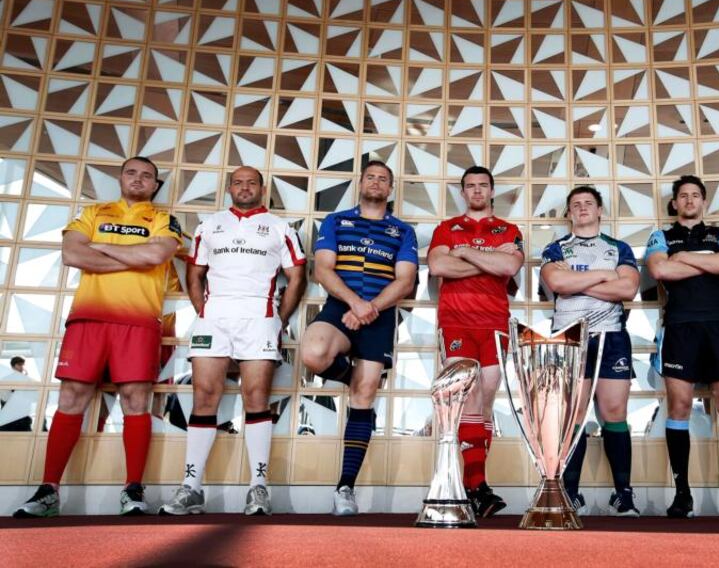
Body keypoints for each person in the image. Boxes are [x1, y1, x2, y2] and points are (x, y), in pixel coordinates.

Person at [14, 156, 182, 518]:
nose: (138, 179)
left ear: (155, 185)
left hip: (138, 321)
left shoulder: (164, 220)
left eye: (147, 176)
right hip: (88, 318)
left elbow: (157, 253)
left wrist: (100, 248)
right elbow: (73, 254)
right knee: (72, 396)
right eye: (132, 173)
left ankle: (133, 489)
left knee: (136, 400)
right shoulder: (93, 212)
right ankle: (49, 490)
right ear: (121, 177)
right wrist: (133, 258)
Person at [159, 166, 306, 516]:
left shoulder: (279, 227)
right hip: (215, 319)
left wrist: (278, 320)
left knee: (256, 398)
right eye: (238, 183)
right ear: (229, 188)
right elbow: (194, 274)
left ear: (262, 188)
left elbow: (297, 276)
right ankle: (191, 487)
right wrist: (204, 310)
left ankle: (258, 486)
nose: (244, 188)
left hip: (259, 318)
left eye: (251, 183)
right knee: (204, 397)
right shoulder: (209, 226)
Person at [645, 176, 719, 519]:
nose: (689, 200)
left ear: (703, 202)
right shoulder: (661, 236)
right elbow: (659, 269)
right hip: (680, 327)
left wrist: (683, 257)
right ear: (674, 203)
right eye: (682, 196)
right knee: (680, 407)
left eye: (695, 195)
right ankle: (682, 495)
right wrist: (701, 261)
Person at [300, 161, 417, 516]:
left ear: (391, 188)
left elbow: (406, 280)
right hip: (340, 307)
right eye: (371, 177)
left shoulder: (402, 231)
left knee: (364, 397)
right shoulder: (336, 221)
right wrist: (354, 303)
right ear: (361, 183)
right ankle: (353, 378)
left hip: (380, 316)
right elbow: (322, 268)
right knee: (314, 353)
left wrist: (371, 308)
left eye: (384, 179)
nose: (377, 183)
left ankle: (345, 487)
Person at [427, 166, 523, 517]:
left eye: (483, 185)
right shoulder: (446, 227)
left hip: (494, 323)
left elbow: (510, 268)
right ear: (463, 192)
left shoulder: (509, 229)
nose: (477, 191)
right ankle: (477, 485)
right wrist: (489, 260)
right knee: (467, 399)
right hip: (456, 322)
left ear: (492, 190)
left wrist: (464, 253)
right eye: (471, 186)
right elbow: (439, 267)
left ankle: (473, 487)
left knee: (485, 400)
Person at [541, 185, 640, 516]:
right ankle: (570, 494)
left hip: (611, 336)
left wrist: (579, 282)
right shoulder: (556, 248)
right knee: (574, 415)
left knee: (615, 413)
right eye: (575, 205)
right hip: (570, 337)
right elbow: (558, 285)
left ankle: (623, 494)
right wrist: (602, 278)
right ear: (569, 213)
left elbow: (627, 287)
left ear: (600, 211)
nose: (582, 208)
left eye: (588, 203)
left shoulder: (618, 247)